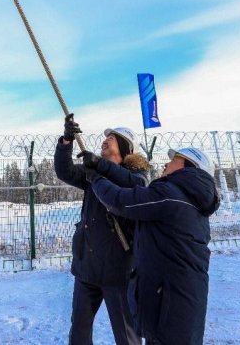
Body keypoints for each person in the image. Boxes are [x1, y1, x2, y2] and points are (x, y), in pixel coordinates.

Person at [86, 146, 220, 345]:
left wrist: (96, 178)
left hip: (168, 300)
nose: (167, 163)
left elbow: (120, 201)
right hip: (181, 296)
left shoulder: (170, 194)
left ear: (189, 167)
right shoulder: (192, 200)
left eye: (174, 159)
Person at [54, 114, 149, 345]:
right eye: (106, 137)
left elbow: (138, 185)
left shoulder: (136, 176)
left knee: (127, 335)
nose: (105, 140)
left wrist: (98, 165)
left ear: (125, 148)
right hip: (87, 267)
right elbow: (65, 172)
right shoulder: (92, 173)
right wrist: (66, 142)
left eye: (113, 138)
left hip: (118, 272)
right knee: (79, 332)